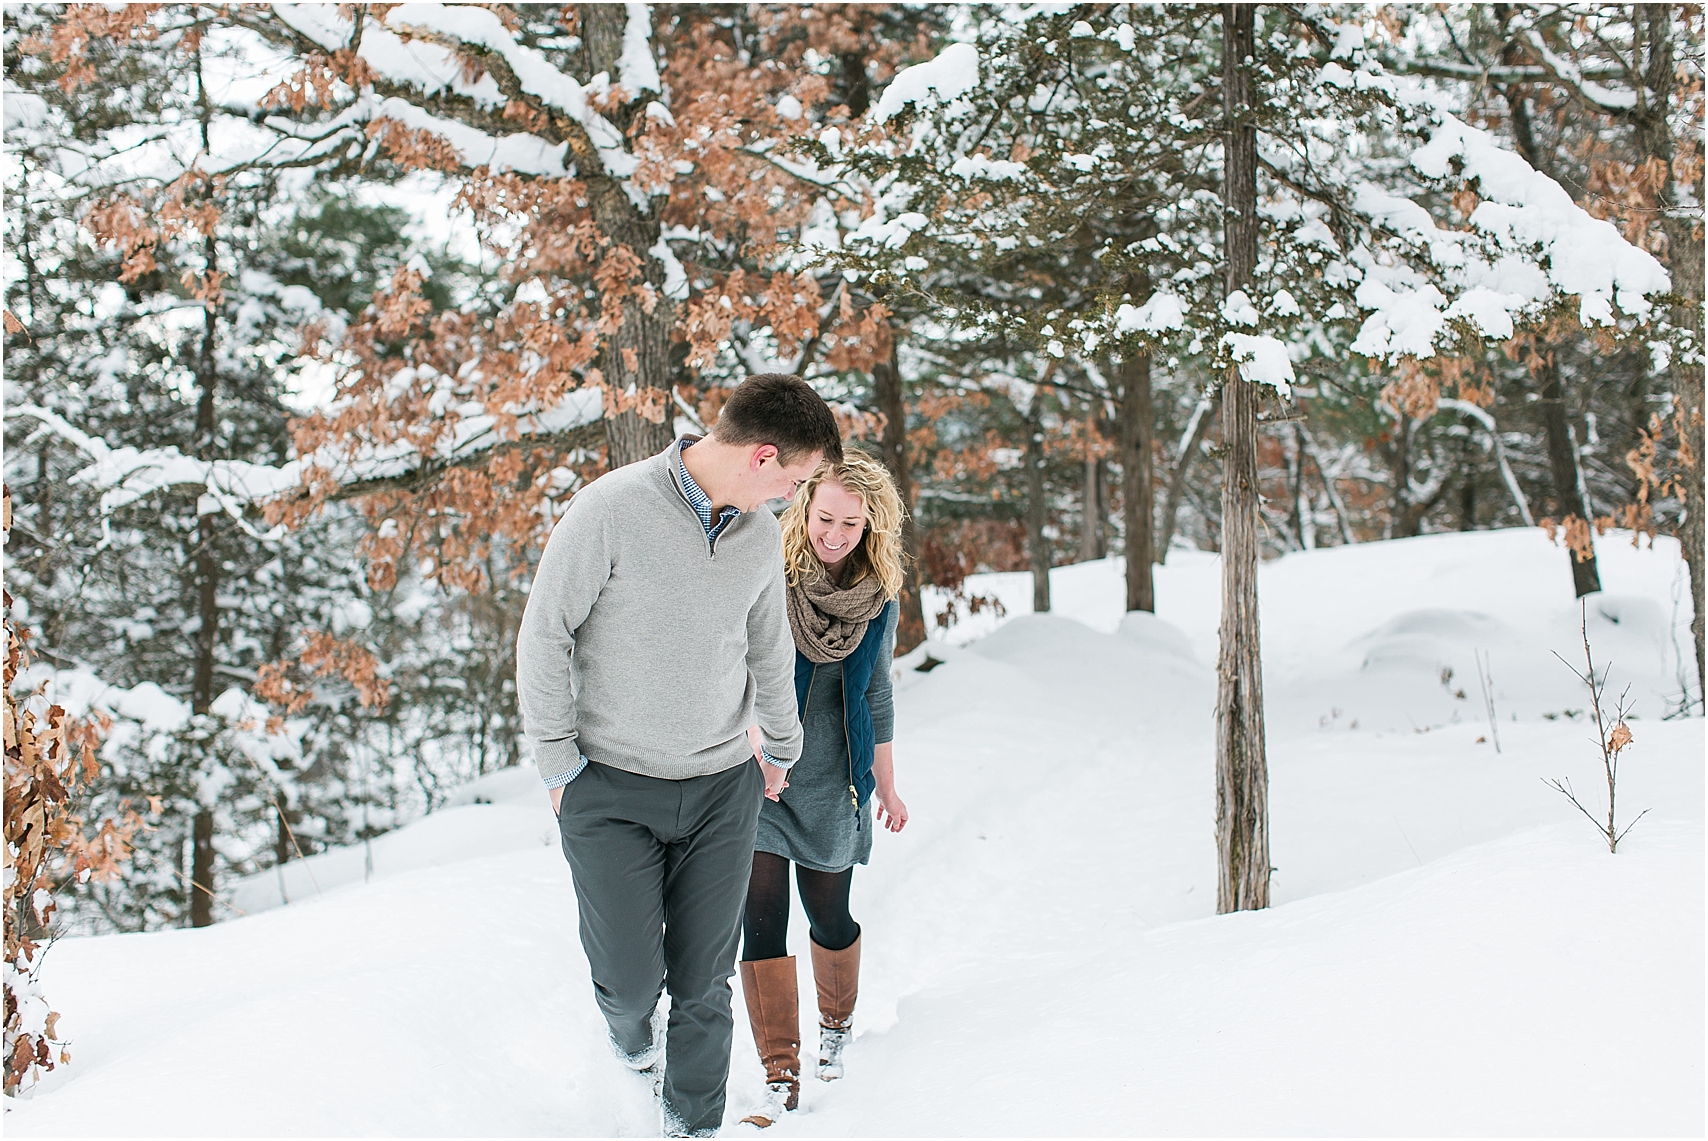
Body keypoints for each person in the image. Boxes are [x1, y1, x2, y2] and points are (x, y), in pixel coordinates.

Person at [515, 373, 844, 1138]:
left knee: (704, 984)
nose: (792, 500)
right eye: (794, 481)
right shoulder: (610, 509)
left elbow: (769, 649)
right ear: (764, 458)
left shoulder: (760, 538)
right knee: (633, 985)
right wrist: (560, 764)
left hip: (721, 788)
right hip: (609, 788)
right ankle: (630, 1044)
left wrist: (782, 746)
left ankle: (693, 1125)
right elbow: (543, 636)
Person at [736, 451, 910, 1129]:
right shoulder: (768, 576)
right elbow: (739, 669)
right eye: (825, 517)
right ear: (804, 509)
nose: (834, 533)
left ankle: (835, 1022)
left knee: (828, 916)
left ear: (871, 524)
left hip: (834, 778)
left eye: (850, 523)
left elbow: (878, 692)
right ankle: (780, 1071)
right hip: (761, 778)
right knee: (761, 921)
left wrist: (887, 786)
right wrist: (753, 743)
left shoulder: (879, 595)